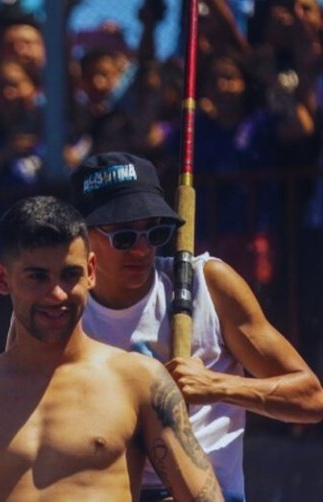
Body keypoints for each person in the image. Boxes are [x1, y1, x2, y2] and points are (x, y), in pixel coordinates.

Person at [0, 196, 223, 502]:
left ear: (90, 272)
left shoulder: (139, 379)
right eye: (37, 277)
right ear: (2, 278)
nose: (57, 294)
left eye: (70, 275)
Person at [68, 151, 323, 501]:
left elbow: (311, 398)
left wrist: (217, 386)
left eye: (155, 233)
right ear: (82, 237)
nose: (142, 250)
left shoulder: (208, 284)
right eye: (124, 237)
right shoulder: (63, 307)